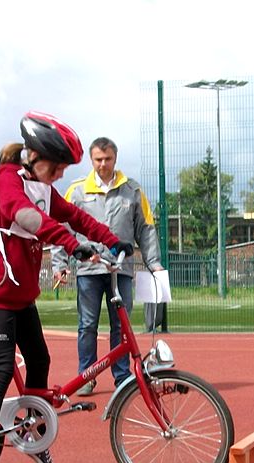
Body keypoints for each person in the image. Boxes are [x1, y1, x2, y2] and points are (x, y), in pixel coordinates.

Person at [0, 112, 132, 463]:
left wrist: (110, 239)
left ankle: (34, 438)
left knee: (40, 358)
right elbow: (30, 219)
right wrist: (72, 246)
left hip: (20, 295)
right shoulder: (7, 183)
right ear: (32, 156)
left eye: (61, 170)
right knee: (3, 368)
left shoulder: (42, 187)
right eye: (53, 168)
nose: (56, 176)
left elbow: (74, 216)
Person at [52, 137, 163, 396]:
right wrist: (60, 264)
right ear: (91, 161)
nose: (103, 164)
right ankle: (86, 376)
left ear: (115, 158)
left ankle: (122, 377)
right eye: (98, 160)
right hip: (89, 271)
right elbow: (61, 229)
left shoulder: (132, 190)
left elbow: (146, 230)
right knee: (87, 324)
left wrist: (154, 263)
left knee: (121, 326)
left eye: (107, 159)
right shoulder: (77, 191)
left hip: (120, 270)